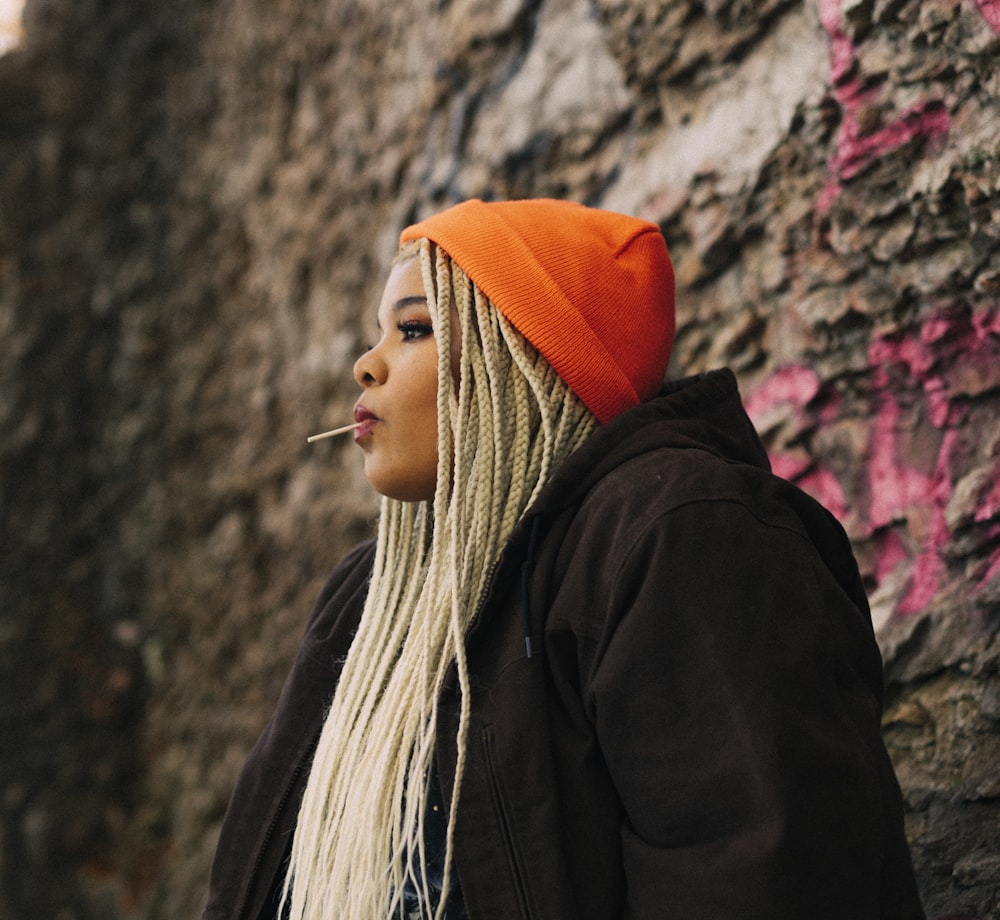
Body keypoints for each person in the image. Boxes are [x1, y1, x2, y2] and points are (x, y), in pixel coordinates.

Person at [202, 198, 925, 920]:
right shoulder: (364, 599)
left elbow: (767, 877)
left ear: (527, 362)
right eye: (379, 335)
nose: (367, 365)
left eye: (415, 330)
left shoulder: (677, 532)